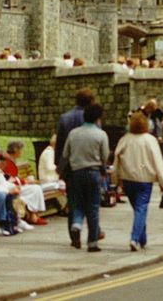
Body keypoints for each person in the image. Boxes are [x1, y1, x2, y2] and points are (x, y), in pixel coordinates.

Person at [114, 112, 163, 252]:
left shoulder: (125, 139)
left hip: (128, 179)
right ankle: (135, 238)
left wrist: (116, 180)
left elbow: (116, 159)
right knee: (141, 208)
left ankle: (142, 239)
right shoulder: (150, 140)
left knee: (138, 209)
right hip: (145, 180)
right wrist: (162, 182)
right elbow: (158, 162)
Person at [61, 102, 109, 252]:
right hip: (93, 173)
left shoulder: (73, 133)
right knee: (93, 207)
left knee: (77, 203)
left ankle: (76, 224)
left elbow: (65, 154)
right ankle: (92, 243)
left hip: (76, 173)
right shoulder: (101, 134)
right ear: (98, 118)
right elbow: (105, 156)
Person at [55, 88, 95, 232]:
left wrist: (58, 165)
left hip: (70, 166)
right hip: (90, 164)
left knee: (73, 201)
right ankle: (94, 232)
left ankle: (74, 234)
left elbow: (59, 144)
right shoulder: (91, 118)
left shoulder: (65, 118)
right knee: (91, 201)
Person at [3, 141, 49, 225]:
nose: (21, 152)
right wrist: (26, 181)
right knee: (35, 188)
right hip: (10, 187)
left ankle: (33, 214)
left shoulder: (11, 159)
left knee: (36, 188)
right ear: (16, 150)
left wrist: (24, 180)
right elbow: (10, 179)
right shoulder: (7, 161)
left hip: (14, 185)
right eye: (20, 150)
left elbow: (14, 177)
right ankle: (33, 216)